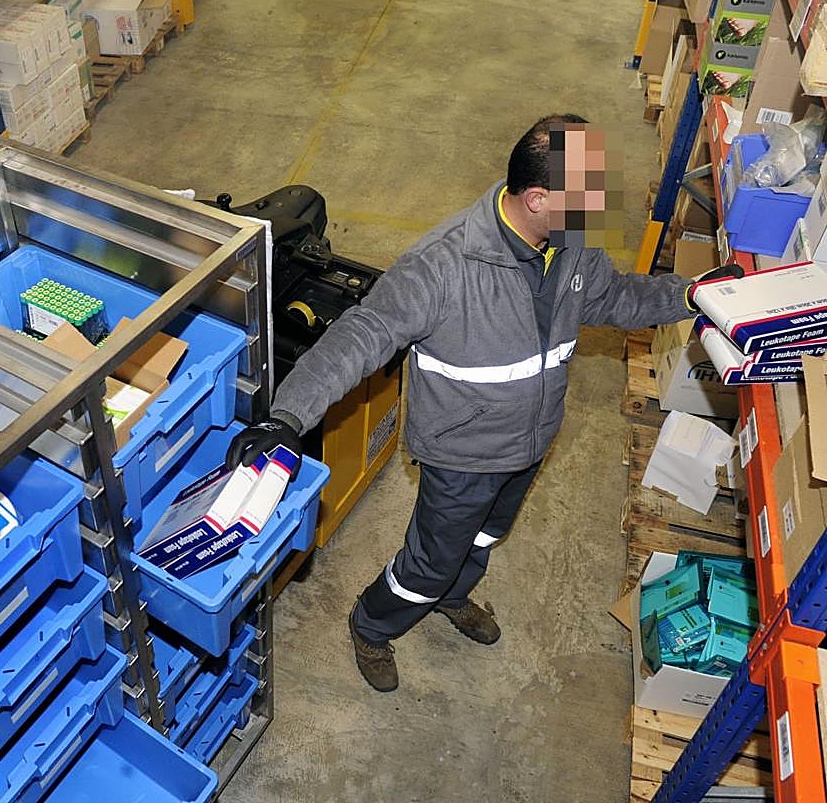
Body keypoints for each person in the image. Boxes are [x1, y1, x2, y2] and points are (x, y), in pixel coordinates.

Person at [225, 114, 742, 692]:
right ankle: (372, 624)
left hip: (532, 440)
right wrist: (288, 414)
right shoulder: (443, 266)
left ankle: (453, 596)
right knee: (430, 561)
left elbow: (614, 296)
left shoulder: (572, 242)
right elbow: (362, 333)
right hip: (462, 455)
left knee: (484, 538)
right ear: (539, 199)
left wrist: (692, 295)